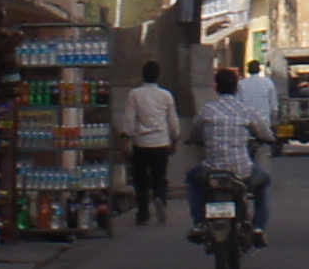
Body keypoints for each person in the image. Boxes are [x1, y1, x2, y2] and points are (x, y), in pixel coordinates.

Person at [192, 61, 272, 240]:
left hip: (211, 170)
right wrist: (268, 138)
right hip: (241, 171)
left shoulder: (207, 110)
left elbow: (194, 133)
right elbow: (265, 134)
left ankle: (198, 222)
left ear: (216, 87)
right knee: (264, 181)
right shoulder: (245, 111)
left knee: (192, 178)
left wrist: (194, 140)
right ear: (237, 88)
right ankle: (258, 226)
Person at [111, 67, 181, 224]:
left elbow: (129, 119)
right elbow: (173, 121)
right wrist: (175, 139)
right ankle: (159, 197)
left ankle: (143, 212)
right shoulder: (166, 95)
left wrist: (126, 138)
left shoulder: (135, 94)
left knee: (140, 179)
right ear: (158, 76)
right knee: (160, 175)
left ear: (142, 76)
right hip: (161, 142)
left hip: (141, 143)